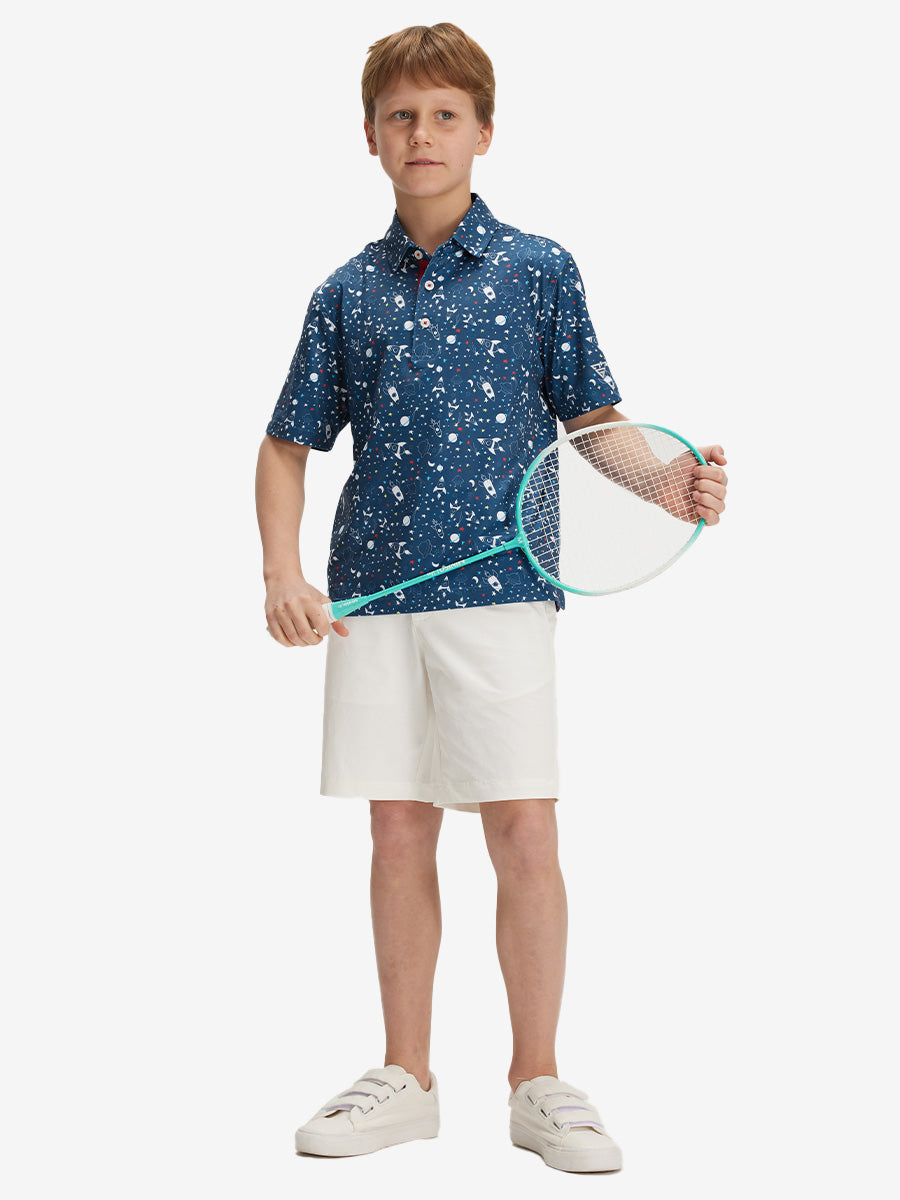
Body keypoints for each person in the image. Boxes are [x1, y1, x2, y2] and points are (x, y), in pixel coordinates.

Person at [255, 22, 727, 1174]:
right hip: (376, 597)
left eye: (445, 115)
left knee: (523, 828)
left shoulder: (539, 269)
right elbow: (284, 447)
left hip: (508, 590)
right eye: (401, 116)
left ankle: (537, 1080)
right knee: (396, 827)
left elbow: (594, 422)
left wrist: (669, 486)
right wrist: (283, 573)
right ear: (370, 136)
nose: (422, 134)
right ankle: (407, 1077)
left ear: (485, 133)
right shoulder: (343, 293)